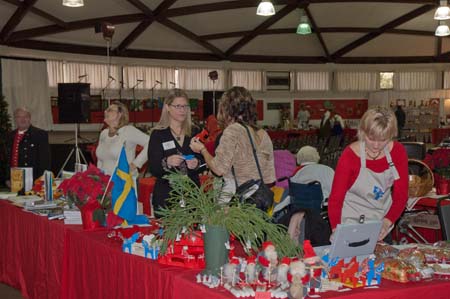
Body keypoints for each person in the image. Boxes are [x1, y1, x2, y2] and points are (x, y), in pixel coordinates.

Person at [328, 107, 408, 241]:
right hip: (351, 222)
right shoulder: (350, 156)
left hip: (381, 222)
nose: (376, 145)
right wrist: (336, 229)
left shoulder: (397, 152)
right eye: (371, 139)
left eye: (383, 140)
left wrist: (388, 221)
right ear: (362, 132)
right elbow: (336, 198)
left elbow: (401, 194)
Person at [190, 86, 276, 201]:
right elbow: (270, 178)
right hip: (258, 201)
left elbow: (219, 169)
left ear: (226, 108)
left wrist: (202, 149)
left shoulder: (233, 131)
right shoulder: (263, 134)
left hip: (234, 203)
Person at [148, 89, 202, 213]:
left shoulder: (195, 131)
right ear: (167, 107)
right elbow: (153, 167)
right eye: (178, 106)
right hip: (166, 197)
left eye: (185, 106)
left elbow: (205, 161)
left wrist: (196, 163)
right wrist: (167, 162)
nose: (182, 110)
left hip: (192, 196)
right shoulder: (158, 134)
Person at [96, 101, 149, 176]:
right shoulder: (104, 133)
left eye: (110, 110)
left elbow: (151, 143)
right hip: (105, 182)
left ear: (119, 115)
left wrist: (136, 163)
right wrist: (98, 177)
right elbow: (100, 160)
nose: (105, 111)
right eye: (106, 109)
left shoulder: (128, 131)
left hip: (124, 182)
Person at [6, 107, 50, 184]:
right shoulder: (10, 135)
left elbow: (45, 160)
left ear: (29, 118)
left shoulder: (39, 134)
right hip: (14, 178)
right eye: (19, 117)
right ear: (15, 119)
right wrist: (7, 178)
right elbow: (8, 159)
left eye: (25, 117)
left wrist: (40, 180)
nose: (22, 119)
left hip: (33, 179)